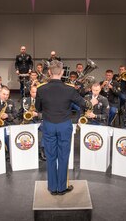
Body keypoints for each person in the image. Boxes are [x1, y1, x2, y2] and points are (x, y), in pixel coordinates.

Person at [35, 60, 92, 195]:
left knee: (50, 156)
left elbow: (38, 108)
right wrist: (91, 102)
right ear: (62, 72)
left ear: (49, 72)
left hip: (48, 125)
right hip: (64, 125)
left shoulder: (40, 89)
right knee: (63, 156)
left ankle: (52, 187)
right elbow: (84, 104)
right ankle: (61, 187)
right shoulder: (69, 89)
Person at [19, 86, 46, 161]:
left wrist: (37, 114)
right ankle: (29, 150)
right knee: (29, 133)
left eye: (37, 92)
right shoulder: (24, 100)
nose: (35, 94)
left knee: (46, 129)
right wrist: (22, 119)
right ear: (30, 92)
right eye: (33, 92)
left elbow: (46, 113)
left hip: (39, 120)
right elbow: (20, 112)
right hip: (29, 121)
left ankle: (42, 150)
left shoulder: (43, 101)